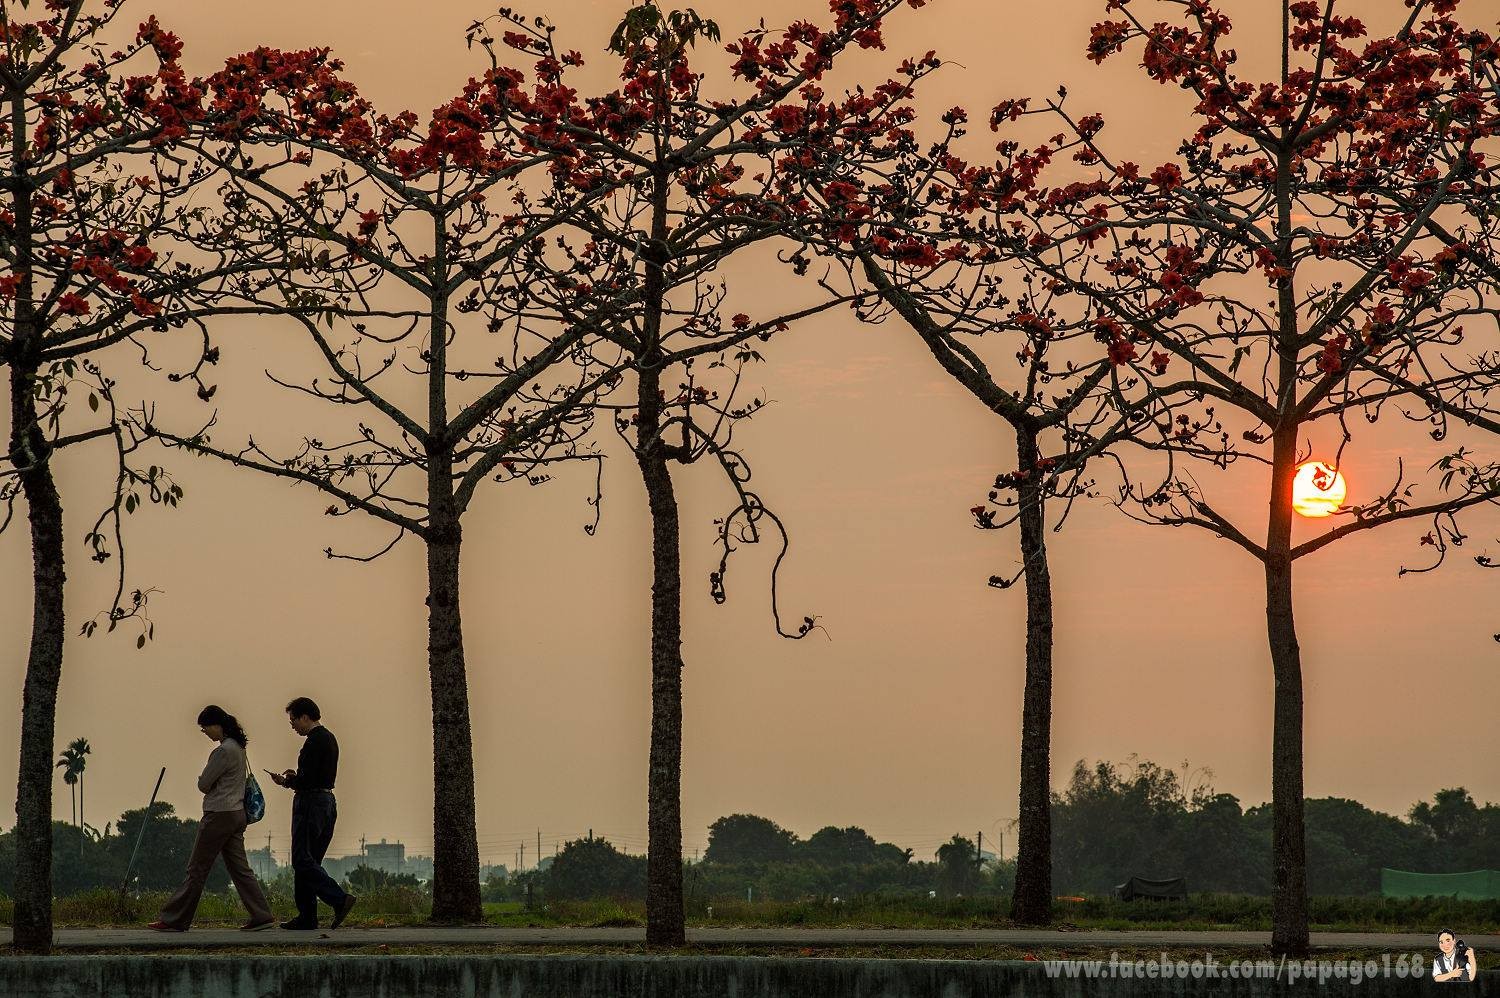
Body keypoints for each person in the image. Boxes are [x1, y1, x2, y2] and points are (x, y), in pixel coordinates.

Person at [148, 706, 275, 932]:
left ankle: (175, 919)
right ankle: (261, 914)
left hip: (219, 814)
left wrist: (204, 779)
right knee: (240, 868)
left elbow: (204, 784)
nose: (205, 732)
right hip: (237, 814)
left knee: (197, 868)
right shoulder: (239, 748)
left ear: (216, 725)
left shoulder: (222, 752)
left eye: (205, 728)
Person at [269, 697, 357, 930]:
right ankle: (307, 917)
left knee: (301, 858)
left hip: (311, 803)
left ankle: (338, 899)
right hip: (327, 802)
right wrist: (295, 776)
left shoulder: (313, 742)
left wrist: (286, 781)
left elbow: (307, 781)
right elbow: (318, 774)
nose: (292, 725)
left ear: (305, 717)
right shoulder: (329, 738)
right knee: (310, 860)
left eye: (293, 720)